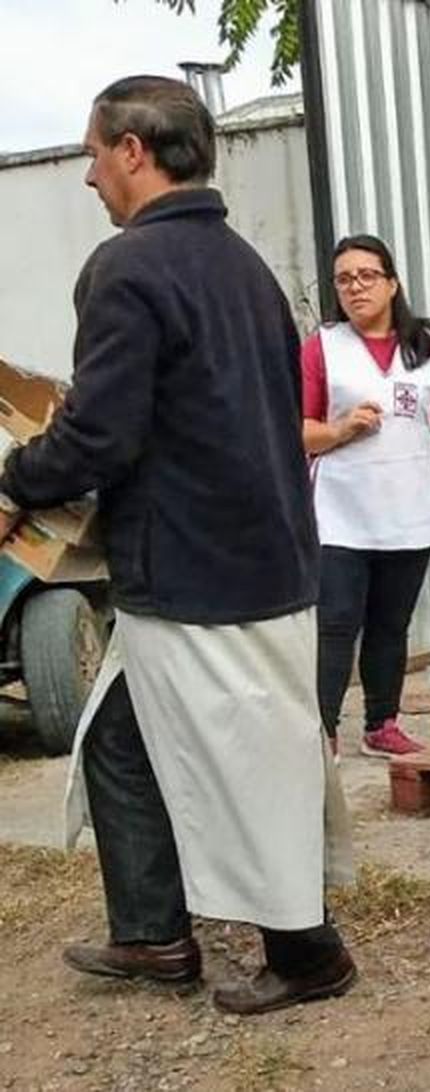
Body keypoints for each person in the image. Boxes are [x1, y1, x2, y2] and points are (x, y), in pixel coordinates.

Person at [0, 76, 356, 1015]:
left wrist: (16, 480)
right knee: (118, 738)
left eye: (90, 153)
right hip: (262, 552)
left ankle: (308, 953)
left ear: (132, 151)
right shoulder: (245, 267)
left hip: (193, 566)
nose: (86, 176)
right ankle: (154, 933)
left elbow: (103, 436)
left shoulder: (126, 268)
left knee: (250, 758)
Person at [301, 234, 430, 759]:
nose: (355, 287)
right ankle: (325, 732)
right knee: (337, 624)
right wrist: (340, 430)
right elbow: (296, 430)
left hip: (407, 513)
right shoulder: (323, 348)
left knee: (391, 625)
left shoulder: (427, 351)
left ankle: (382, 723)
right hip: (340, 514)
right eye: (344, 279)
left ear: (392, 284)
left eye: (367, 276)